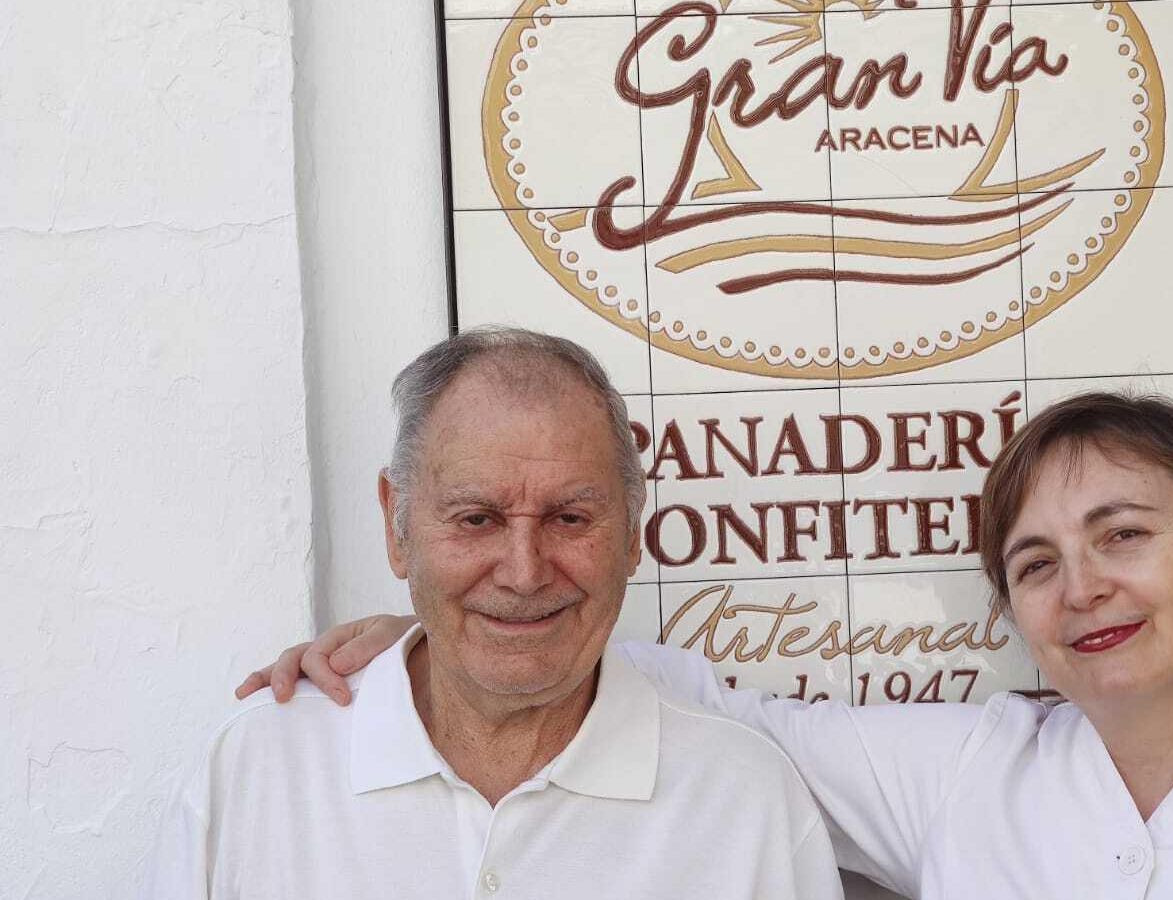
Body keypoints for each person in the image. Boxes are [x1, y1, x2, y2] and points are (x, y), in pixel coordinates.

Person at [243, 392, 1173, 900]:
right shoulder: (970, 768)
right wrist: (439, 638)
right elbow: (706, 703)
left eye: (1122, 535)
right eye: (1035, 563)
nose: (1083, 590)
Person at [145, 328, 843, 899]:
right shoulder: (257, 772)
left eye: (570, 517)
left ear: (632, 535)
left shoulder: (748, 802)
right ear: (398, 525)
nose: (524, 571)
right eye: (476, 518)